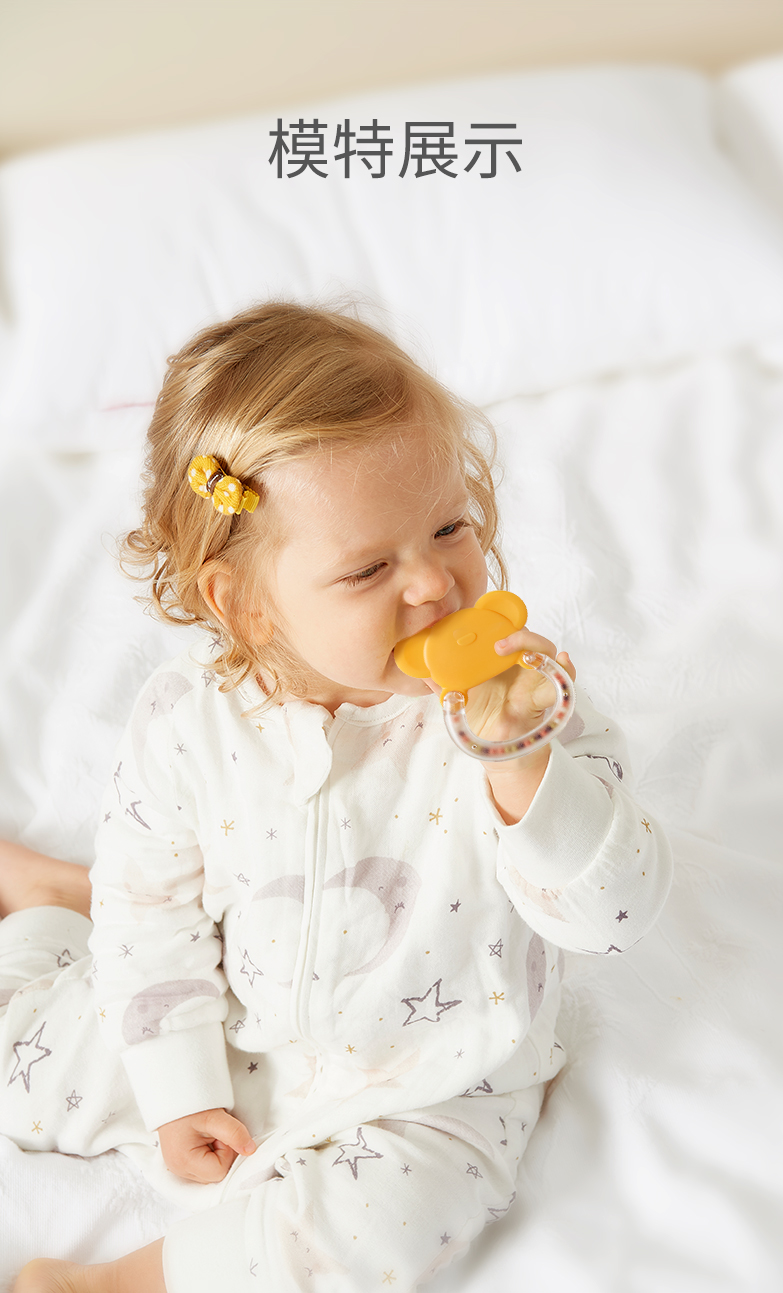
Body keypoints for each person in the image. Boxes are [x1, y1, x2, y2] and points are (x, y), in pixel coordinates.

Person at [1, 302, 673, 1293]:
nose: (434, 585)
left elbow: (615, 912)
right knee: (29, 1070)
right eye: (368, 568)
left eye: (449, 527)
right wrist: (179, 1085)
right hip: (237, 1014)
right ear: (243, 602)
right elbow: (152, 913)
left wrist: (522, 768)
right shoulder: (189, 721)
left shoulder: (520, 712)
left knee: (380, 1228)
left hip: (436, 1079)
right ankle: (49, 908)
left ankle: (107, 1284)